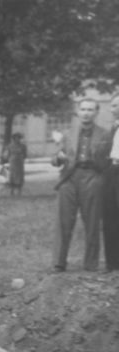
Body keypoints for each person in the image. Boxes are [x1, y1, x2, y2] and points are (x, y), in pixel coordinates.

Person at [52, 98, 112, 273]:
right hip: (69, 178)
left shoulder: (105, 134)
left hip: (92, 176)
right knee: (63, 221)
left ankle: (91, 264)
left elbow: (108, 160)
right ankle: (58, 263)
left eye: (90, 110)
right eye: (83, 109)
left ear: (96, 112)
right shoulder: (67, 133)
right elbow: (55, 159)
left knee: (92, 222)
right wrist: (59, 158)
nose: (86, 113)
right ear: (78, 112)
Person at [104, 93, 119, 272]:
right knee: (110, 215)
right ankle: (113, 263)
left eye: (115, 105)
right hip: (111, 170)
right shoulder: (113, 128)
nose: (112, 109)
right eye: (112, 106)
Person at [1, 132, 28, 197]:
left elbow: (25, 155)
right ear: (13, 139)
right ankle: (12, 191)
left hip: (20, 163)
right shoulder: (9, 146)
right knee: (12, 176)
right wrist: (8, 158)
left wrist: (21, 157)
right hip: (13, 163)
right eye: (16, 138)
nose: (18, 139)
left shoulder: (23, 146)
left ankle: (19, 191)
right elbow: (6, 155)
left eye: (19, 138)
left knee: (19, 176)